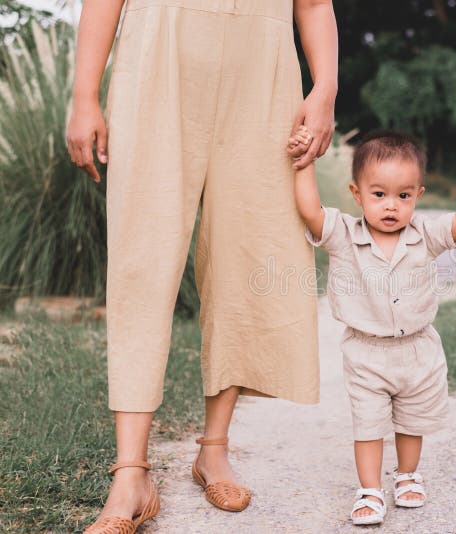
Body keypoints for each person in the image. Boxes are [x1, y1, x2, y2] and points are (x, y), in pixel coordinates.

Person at [66, 0, 337, 531]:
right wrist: (83, 95)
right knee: (141, 262)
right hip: (156, 57)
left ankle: (214, 450)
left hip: (265, 66)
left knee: (246, 255)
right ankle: (131, 474)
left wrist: (324, 87)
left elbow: (315, 3)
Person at [290, 130, 456, 526]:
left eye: (403, 196)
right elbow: (310, 210)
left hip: (418, 349)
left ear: (418, 196)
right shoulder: (343, 236)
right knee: (368, 423)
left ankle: (407, 475)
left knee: (412, 420)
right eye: (379, 195)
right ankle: (369, 489)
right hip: (366, 351)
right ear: (356, 194)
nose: (392, 206)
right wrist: (304, 166)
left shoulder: (424, 236)